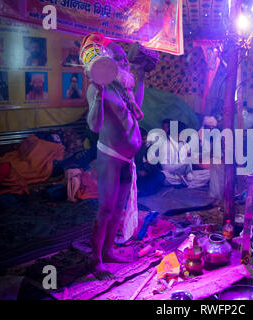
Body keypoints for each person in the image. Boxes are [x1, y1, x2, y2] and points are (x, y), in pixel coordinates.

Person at [84, 32, 146, 280]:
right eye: (119, 59)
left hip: (126, 160)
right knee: (105, 210)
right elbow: (94, 125)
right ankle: (95, 260)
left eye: (125, 59)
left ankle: (108, 250)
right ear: (106, 62)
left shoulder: (123, 88)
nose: (124, 63)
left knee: (118, 209)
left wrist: (140, 76)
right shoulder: (97, 87)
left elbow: (137, 109)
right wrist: (98, 96)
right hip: (110, 157)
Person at [135, 128, 165, 197]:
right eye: (142, 139)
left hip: (146, 173)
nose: (144, 141)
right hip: (135, 175)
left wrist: (148, 166)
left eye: (145, 139)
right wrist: (138, 172)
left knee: (160, 176)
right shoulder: (132, 149)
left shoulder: (148, 148)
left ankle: (143, 191)